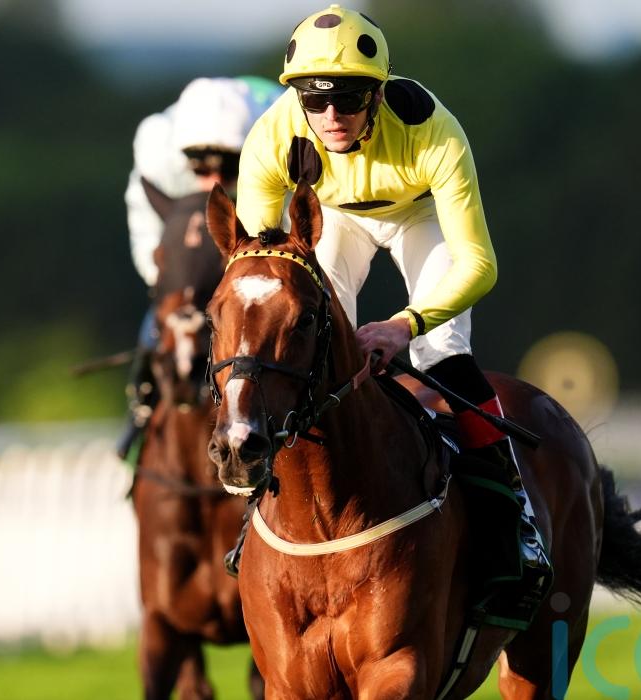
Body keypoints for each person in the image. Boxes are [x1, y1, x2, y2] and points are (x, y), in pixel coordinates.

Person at [234, 4, 551, 630]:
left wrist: (405, 324)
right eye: (314, 98)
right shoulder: (271, 137)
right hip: (333, 219)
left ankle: (515, 521)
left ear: (378, 94)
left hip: (419, 214)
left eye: (349, 98)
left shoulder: (434, 131)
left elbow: (479, 264)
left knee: (444, 355)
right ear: (296, 97)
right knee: (302, 352)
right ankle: (258, 511)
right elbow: (259, 263)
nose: (331, 115)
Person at [117, 76, 283, 461]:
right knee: (156, 328)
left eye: (228, 168)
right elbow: (146, 227)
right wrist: (170, 288)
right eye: (201, 166)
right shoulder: (156, 149)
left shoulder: (282, 133)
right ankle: (139, 419)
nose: (214, 181)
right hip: (188, 255)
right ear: (183, 157)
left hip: (251, 254)